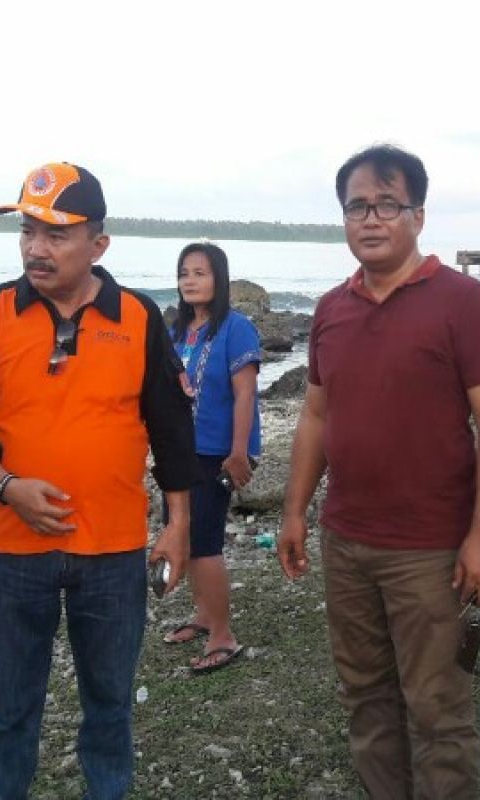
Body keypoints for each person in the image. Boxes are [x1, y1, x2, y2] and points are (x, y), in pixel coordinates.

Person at [0, 162, 198, 799]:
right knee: (10, 709)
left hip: (112, 550)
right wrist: (5, 483)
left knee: (109, 707)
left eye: (55, 234)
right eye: (27, 230)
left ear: (98, 244)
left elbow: (169, 425)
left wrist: (179, 524)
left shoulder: (136, 316)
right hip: (14, 549)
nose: (34, 248)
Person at [277, 144, 480, 798]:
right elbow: (318, 416)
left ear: (418, 215)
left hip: (431, 547)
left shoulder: (463, 302)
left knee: (438, 706)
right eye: (358, 206)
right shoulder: (332, 308)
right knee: (365, 693)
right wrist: (295, 510)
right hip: (346, 538)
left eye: (388, 204)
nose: (372, 219)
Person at [162, 242, 262, 674]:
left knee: (204, 544)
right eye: (184, 272)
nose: (190, 280)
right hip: (181, 453)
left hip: (218, 454)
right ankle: (203, 616)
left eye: (200, 272)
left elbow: (245, 394)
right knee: (182, 537)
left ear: (218, 279)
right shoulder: (178, 332)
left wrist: (239, 452)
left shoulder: (236, 328)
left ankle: (222, 635)